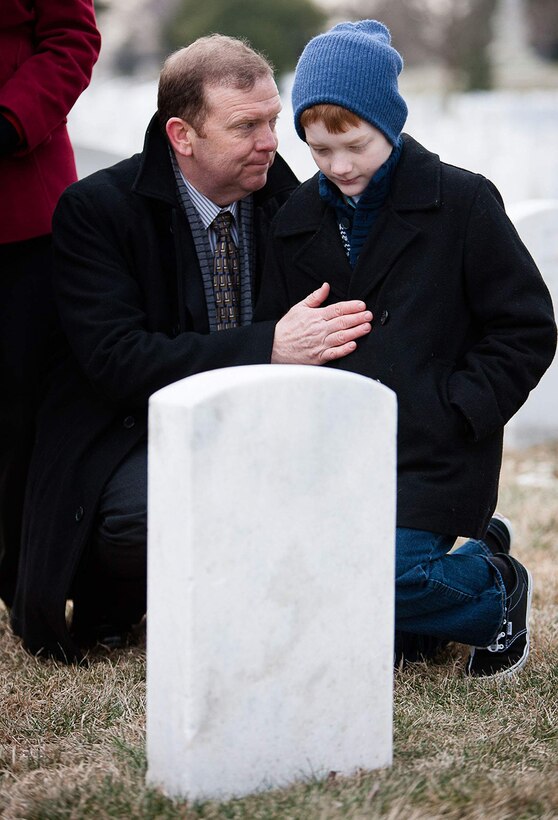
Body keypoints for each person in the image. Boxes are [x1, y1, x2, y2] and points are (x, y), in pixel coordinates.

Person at [10, 34, 373, 661]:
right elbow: (118, 362)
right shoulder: (97, 211)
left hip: (275, 422)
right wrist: (268, 347)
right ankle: (122, 599)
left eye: (272, 121)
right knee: (140, 516)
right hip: (134, 431)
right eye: (246, 127)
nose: (270, 143)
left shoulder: (299, 205)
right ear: (182, 135)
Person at [255, 20, 557, 677]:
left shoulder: (465, 202)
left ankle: (493, 584)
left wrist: (460, 409)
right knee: (320, 599)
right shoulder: (293, 222)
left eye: (354, 145)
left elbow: (526, 326)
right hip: (338, 457)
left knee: (379, 584)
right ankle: (465, 564)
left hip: (436, 450)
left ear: (389, 122)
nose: (338, 167)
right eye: (318, 150)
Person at [0, 0, 101, 608]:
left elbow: (71, 38)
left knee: (24, 406)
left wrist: (10, 120)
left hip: (19, 200)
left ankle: (25, 578)